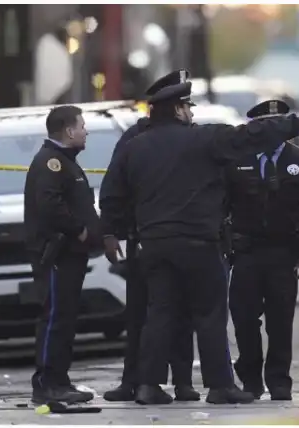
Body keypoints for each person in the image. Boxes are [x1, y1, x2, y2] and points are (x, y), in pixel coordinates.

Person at [99, 77, 299, 405]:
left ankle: (148, 385)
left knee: (160, 313)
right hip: (198, 242)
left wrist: (111, 232)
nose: (191, 112)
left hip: (155, 243)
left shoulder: (134, 146)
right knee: (209, 313)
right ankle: (220, 385)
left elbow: (112, 193)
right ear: (177, 109)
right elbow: (252, 134)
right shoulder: (204, 139)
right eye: (187, 107)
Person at [100, 69, 199, 403]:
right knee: (141, 313)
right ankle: (135, 380)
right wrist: (112, 231)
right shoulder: (135, 138)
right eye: (184, 104)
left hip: (177, 237)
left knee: (181, 313)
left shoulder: (192, 136)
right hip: (143, 237)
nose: (189, 111)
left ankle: (182, 382)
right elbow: (114, 189)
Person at [225, 100, 299, 401]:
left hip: (283, 252)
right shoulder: (237, 159)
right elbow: (222, 205)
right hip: (246, 251)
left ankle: (279, 380)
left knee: (281, 321)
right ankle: (250, 378)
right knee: (244, 319)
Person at [23, 105, 100, 405]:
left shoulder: (64, 161)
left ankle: (60, 380)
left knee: (65, 319)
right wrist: (79, 230)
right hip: (58, 254)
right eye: (82, 126)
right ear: (69, 131)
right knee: (55, 318)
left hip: (70, 255)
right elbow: (50, 205)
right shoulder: (52, 162)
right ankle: (46, 384)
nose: (86, 131)